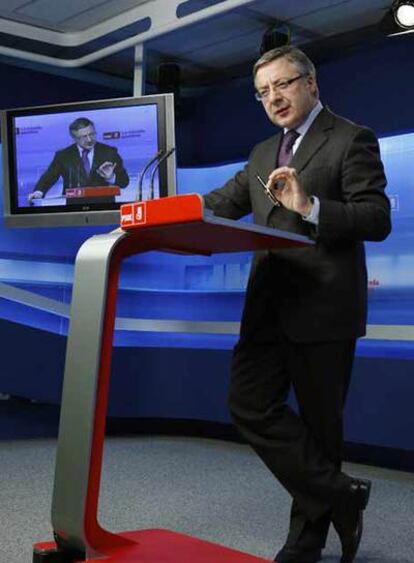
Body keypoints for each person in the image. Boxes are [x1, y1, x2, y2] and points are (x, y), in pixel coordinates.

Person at [203, 46, 391, 563]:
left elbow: (376, 218)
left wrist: (309, 207)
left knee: (319, 428)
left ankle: (304, 543)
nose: (273, 98)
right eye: (263, 92)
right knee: (248, 403)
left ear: (310, 83)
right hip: (266, 306)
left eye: (282, 85)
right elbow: (220, 202)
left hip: (324, 308)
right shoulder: (262, 153)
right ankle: (341, 494)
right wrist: (153, 212)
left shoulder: (351, 139)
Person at [27, 117, 129, 202]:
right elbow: (49, 177)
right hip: (74, 213)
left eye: (92, 134)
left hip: (103, 210)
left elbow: (124, 182)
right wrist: (39, 192)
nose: (89, 140)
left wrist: (111, 177)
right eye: (84, 137)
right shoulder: (63, 156)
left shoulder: (109, 152)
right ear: (74, 138)